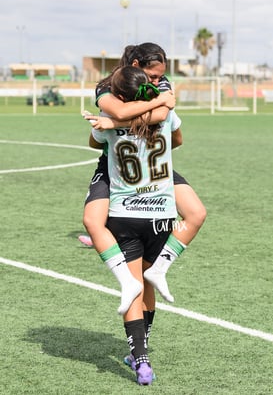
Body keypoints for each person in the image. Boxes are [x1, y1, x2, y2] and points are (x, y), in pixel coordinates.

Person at [82, 42, 206, 305]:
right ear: (136, 66)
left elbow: (162, 112)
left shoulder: (161, 84)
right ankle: (116, 254)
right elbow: (118, 109)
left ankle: (159, 268)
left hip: (151, 163)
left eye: (162, 77)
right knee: (94, 220)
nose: (159, 82)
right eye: (154, 77)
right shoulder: (107, 85)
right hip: (116, 164)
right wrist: (116, 120)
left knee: (195, 212)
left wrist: (115, 123)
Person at [89, 65, 182, 385]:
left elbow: (93, 141)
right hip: (163, 211)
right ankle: (141, 346)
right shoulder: (166, 116)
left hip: (125, 212)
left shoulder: (107, 125)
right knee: (148, 284)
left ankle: (141, 359)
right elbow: (179, 138)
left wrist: (115, 121)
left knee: (132, 287)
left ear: (118, 96)